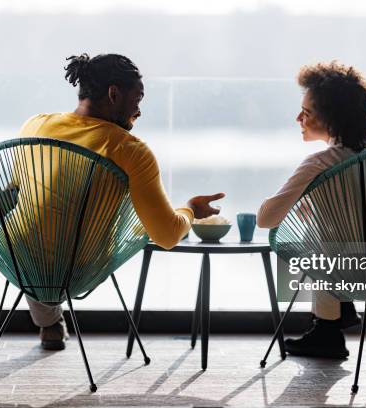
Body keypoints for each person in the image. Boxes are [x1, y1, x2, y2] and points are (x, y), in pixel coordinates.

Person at [19, 53, 224, 350]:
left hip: (13, 253)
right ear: (114, 94)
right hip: (79, 266)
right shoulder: (129, 149)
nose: (139, 110)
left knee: (39, 222)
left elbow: (19, 184)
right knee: (145, 222)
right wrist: (191, 209)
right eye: (137, 99)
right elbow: (167, 237)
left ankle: (49, 321)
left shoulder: (35, 125)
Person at [257, 61, 366, 359]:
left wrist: (303, 203)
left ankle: (328, 328)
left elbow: (266, 219)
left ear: (333, 120)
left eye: (307, 113)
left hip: (354, 272)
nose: (298, 117)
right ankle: (335, 318)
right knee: (329, 235)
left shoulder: (321, 163)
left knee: (313, 240)